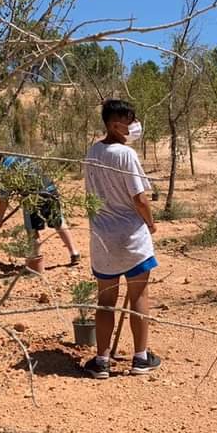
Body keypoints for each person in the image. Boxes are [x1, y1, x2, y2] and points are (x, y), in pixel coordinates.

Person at [83, 99, 162, 377]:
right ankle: (141, 357)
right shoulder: (125, 155)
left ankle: (101, 361)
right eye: (129, 121)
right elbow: (140, 198)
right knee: (139, 294)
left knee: (105, 300)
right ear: (115, 125)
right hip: (130, 237)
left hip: (103, 238)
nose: (134, 126)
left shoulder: (92, 152)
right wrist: (151, 224)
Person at [0, 152, 80, 269]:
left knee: (32, 231)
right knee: (58, 222)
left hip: (32, 199)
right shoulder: (20, 157)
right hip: (50, 191)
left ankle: (35, 265)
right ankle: (74, 253)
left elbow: (4, 200)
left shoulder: (5, 171)